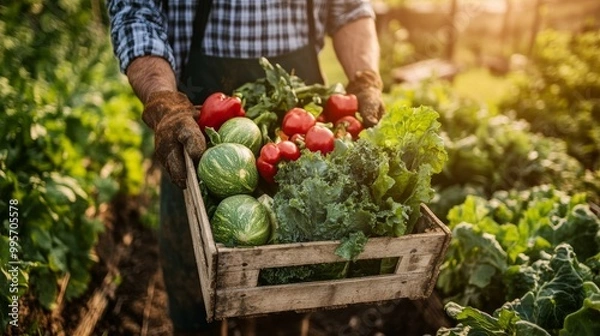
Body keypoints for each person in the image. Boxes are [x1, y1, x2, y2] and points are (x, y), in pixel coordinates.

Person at [106, 0, 385, 334]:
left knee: (287, 301)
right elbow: (134, 11)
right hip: (194, 128)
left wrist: (365, 77)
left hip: (298, 117)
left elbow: (351, 9)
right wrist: (163, 100)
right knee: (196, 300)